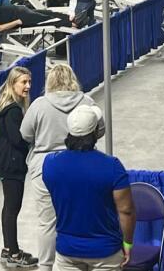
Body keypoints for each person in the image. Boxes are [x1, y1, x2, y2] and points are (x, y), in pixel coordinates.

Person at [20, 64, 103, 271]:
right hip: (80, 164)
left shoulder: (39, 104)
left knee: (47, 222)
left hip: (44, 166)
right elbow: (99, 130)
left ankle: (46, 266)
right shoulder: (86, 101)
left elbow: (25, 134)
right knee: (81, 213)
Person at [43, 105, 135, 271]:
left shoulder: (50, 164)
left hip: (67, 251)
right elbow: (126, 210)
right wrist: (127, 243)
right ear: (95, 132)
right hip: (106, 252)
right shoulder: (112, 166)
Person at [0, 67, 38, 268]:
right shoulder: (14, 111)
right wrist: (34, 137)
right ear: (12, 84)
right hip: (11, 164)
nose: (27, 86)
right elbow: (18, 139)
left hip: (3, 162)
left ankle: (9, 248)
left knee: (9, 207)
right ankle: (14, 254)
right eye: (23, 82)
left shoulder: (4, 106)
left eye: (29, 82)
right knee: (12, 208)